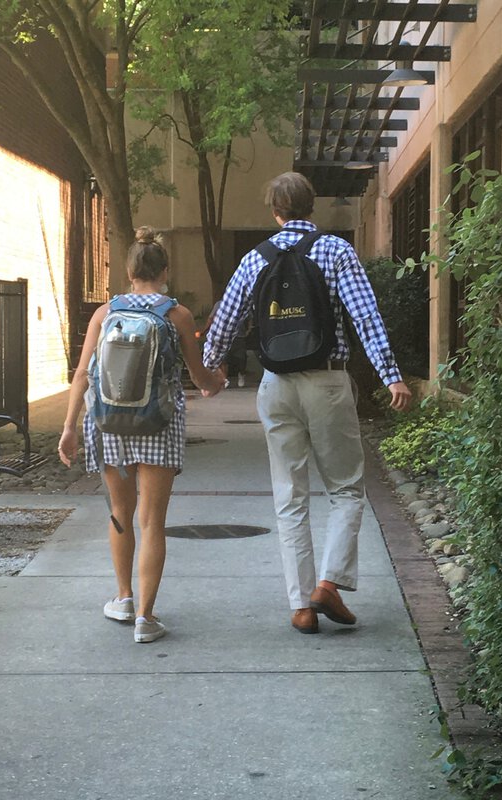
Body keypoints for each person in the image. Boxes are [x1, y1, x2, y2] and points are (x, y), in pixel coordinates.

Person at [203, 172, 412, 634]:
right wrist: (390, 375)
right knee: (345, 489)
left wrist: (212, 368)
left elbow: (225, 320)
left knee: (289, 496)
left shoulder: (256, 258)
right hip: (328, 382)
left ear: (274, 211)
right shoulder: (336, 250)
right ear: (311, 206)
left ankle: (301, 606)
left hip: (275, 387)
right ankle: (330, 584)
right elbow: (365, 315)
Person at [58, 227, 224, 643]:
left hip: (110, 422)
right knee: (153, 521)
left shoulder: (104, 312)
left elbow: (82, 372)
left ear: (129, 271)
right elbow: (198, 375)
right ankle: (146, 619)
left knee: (120, 512)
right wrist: (215, 382)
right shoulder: (177, 314)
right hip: (158, 422)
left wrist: (69, 427)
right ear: (164, 271)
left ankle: (123, 597)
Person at [199, 301, 248, 387]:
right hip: (224, 335)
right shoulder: (218, 304)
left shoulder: (241, 303)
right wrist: (204, 330)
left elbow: (249, 317)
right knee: (224, 358)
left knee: (241, 357)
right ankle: (225, 379)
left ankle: (241, 374)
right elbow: (211, 318)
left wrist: (248, 330)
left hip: (239, 335)